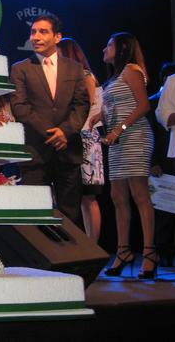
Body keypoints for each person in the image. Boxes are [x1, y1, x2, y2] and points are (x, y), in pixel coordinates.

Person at [10, 14, 89, 224]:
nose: (36, 37)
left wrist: (65, 131)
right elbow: (20, 107)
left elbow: (82, 105)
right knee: (34, 215)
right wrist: (52, 134)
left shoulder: (74, 68)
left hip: (68, 150)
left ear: (57, 37)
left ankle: (70, 247)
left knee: (70, 216)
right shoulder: (20, 68)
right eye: (33, 32)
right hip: (36, 151)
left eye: (43, 32)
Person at [90, 32, 155, 279]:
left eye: (109, 45)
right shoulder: (115, 76)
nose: (104, 49)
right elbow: (117, 105)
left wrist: (120, 128)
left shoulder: (131, 70)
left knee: (140, 195)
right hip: (117, 140)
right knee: (118, 197)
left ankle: (149, 253)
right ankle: (123, 250)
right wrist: (101, 117)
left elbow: (143, 105)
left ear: (122, 48)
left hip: (134, 137)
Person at [58, 37, 104, 242]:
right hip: (69, 138)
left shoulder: (85, 76)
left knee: (88, 195)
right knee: (71, 195)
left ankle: (92, 244)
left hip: (85, 139)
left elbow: (85, 104)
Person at [150, 61, 175, 266]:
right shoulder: (154, 101)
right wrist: (153, 161)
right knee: (166, 207)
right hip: (168, 157)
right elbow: (153, 132)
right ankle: (164, 253)